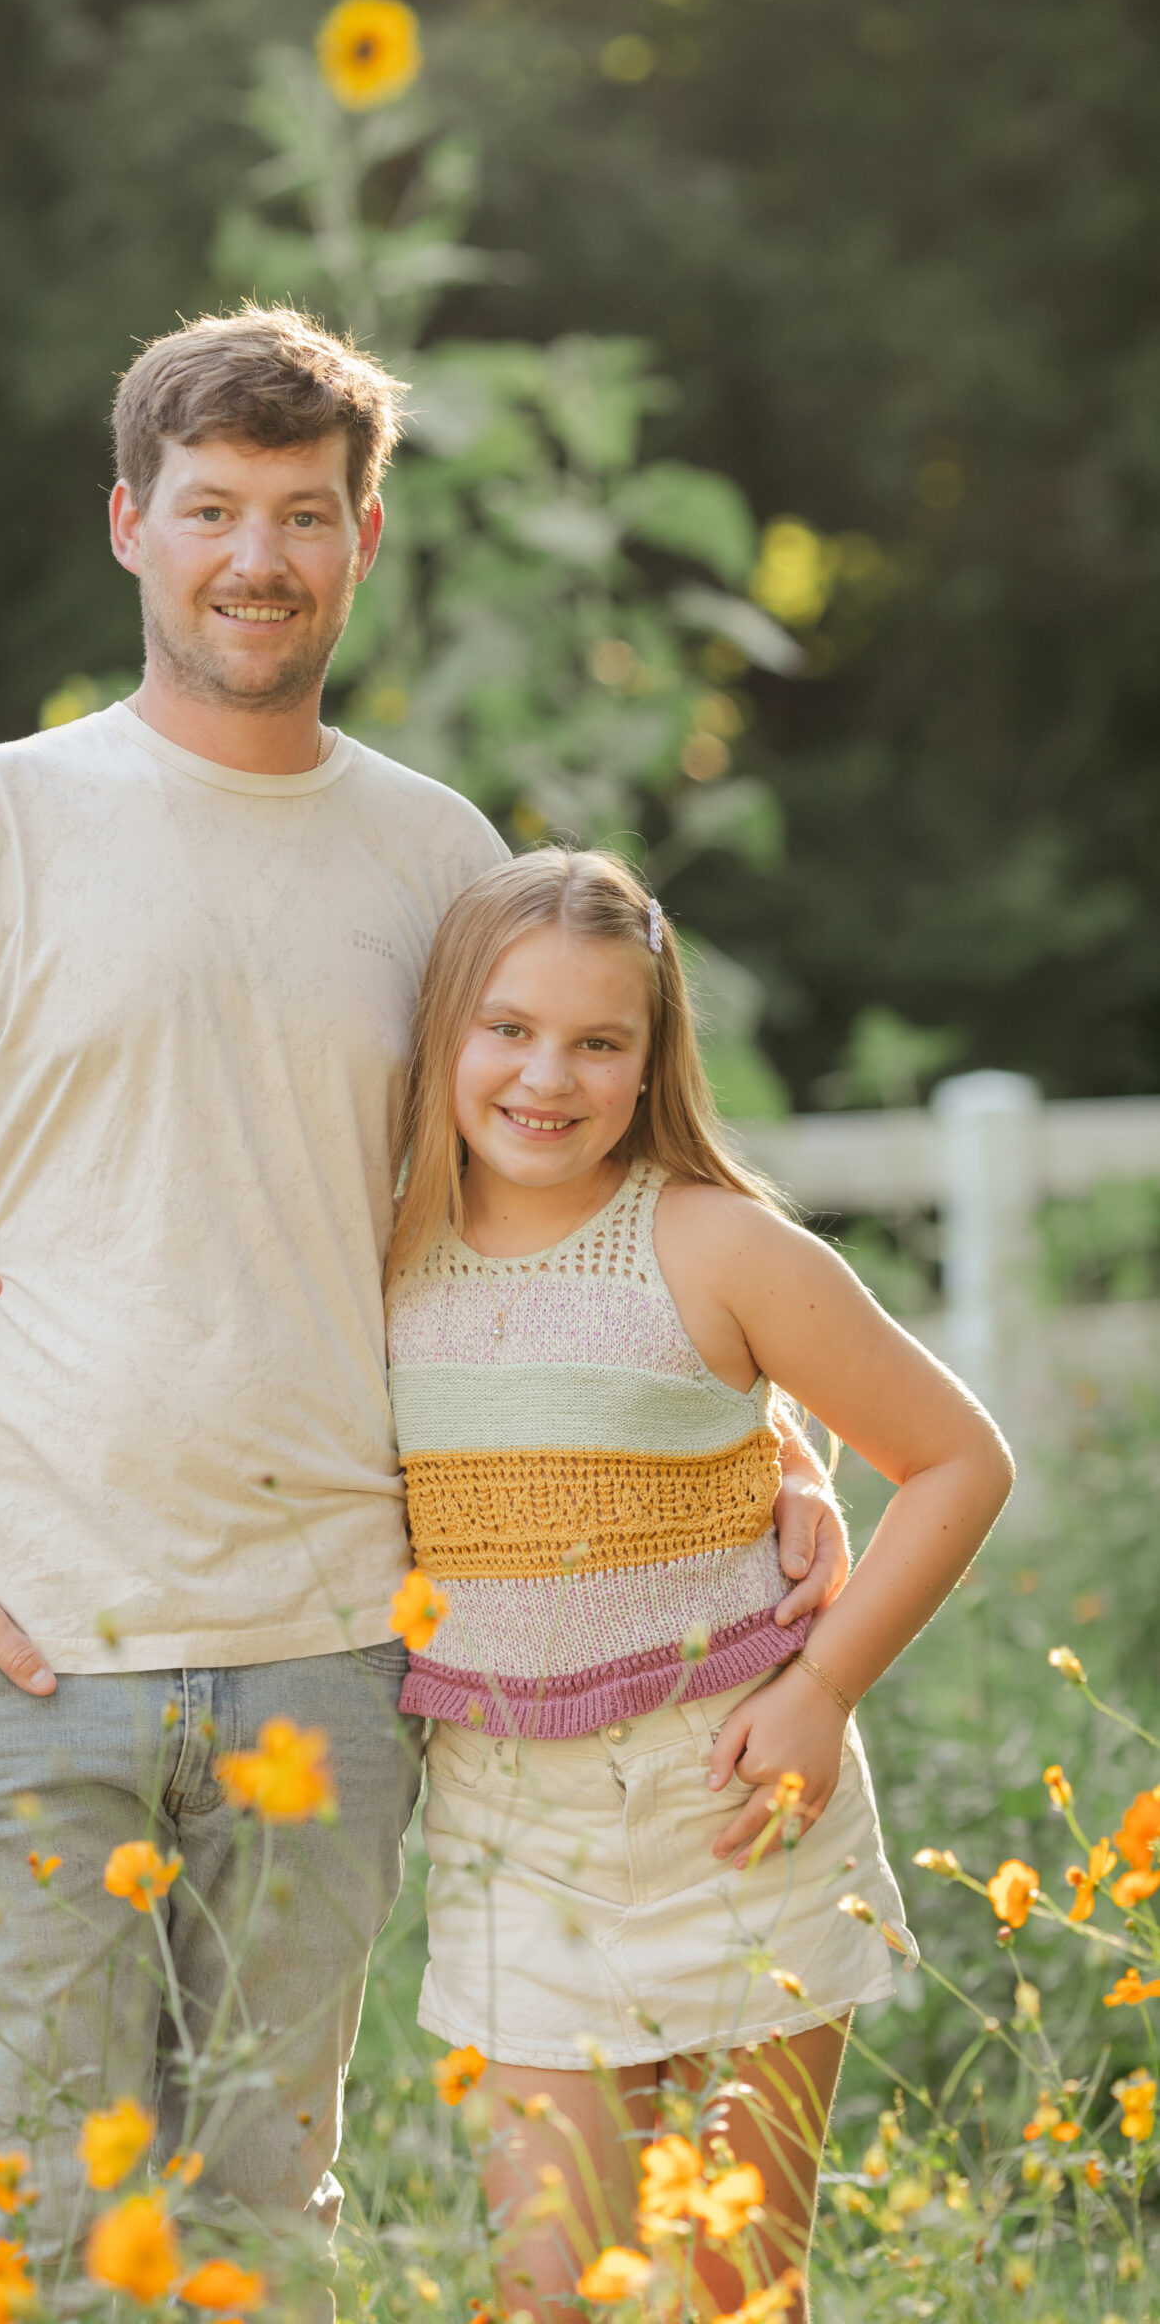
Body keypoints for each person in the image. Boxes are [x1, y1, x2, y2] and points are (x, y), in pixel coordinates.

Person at [0, 302, 848, 2321]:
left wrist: (774, 1446)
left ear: (363, 537)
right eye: (209, 507)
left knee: (259, 2216)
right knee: (28, 2227)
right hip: (30, 1636)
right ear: (128, 523)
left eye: (301, 511)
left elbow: (565, 1202)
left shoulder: (435, 858)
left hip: (337, 1651)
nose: (252, 555)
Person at [377, 846, 1012, 2320]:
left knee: (732, 2289)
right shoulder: (377, 1243)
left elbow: (960, 1462)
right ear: (440, 1036)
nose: (551, 1074)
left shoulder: (714, 1241)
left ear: (654, 1060)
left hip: (737, 1803)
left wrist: (825, 1688)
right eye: (509, 1028)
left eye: (602, 1040)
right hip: (512, 1830)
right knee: (552, 2289)